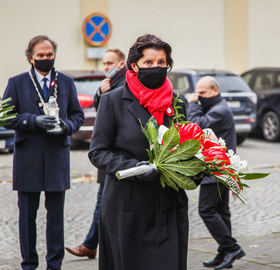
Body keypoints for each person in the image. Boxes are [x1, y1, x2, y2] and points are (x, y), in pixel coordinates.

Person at [88, 34, 190, 270]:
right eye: (149, 63)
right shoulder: (113, 100)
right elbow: (98, 152)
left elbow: (187, 146)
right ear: (134, 66)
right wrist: (132, 168)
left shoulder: (178, 103)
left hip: (168, 205)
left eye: (161, 63)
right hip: (128, 206)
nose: (156, 67)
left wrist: (195, 168)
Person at [2, 35, 84, 270]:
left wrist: (66, 127)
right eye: (40, 56)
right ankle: (29, 264)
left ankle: (54, 265)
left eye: (49, 55)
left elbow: (77, 116)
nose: (45, 59)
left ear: (54, 55)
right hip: (28, 158)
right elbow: (6, 116)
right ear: (31, 57)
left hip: (57, 156)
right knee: (27, 217)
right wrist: (32, 120)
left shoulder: (66, 82)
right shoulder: (17, 82)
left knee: (56, 219)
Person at [65, 48, 127, 259]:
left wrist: (104, 93)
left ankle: (92, 244)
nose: (106, 67)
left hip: (116, 156)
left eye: (110, 63)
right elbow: (101, 110)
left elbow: (112, 115)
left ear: (121, 63)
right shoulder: (109, 84)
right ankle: (91, 244)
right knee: (102, 203)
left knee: (103, 204)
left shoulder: (124, 83)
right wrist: (101, 92)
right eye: (105, 64)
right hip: (107, 156)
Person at [187, 76, 245, 269]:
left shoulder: (219, 110)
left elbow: (197, 125)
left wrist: (193, 104)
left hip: (217, 169)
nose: (199, 96)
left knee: (206, 209)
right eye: (197, 93)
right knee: (221, 211)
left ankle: (231, 247)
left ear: (215, 91)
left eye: (202, 93)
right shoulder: (216, 107)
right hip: (221, 168)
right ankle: (224, 254)